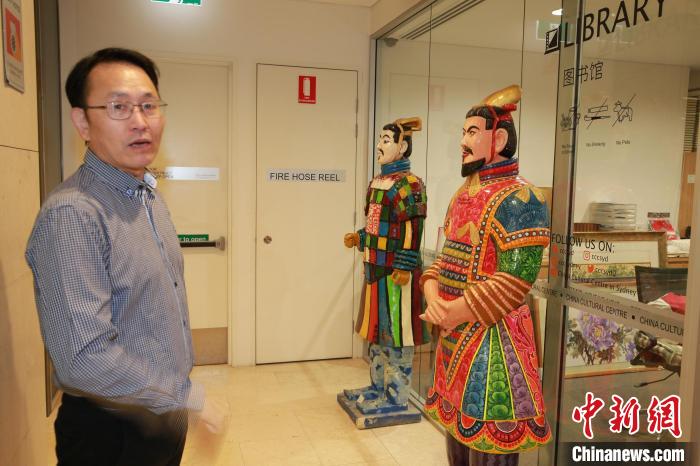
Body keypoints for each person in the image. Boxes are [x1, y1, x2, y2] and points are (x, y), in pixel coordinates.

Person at [25, 47, 223, 466]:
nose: (140, 121)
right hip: (110, 430)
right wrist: (187, 396)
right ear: (83, 121)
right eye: (118, 107)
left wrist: (176, 399)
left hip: (160, 414)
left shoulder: (147, 198)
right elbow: (83, 358)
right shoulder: (73, 214)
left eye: (149, 106)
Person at [419, 86, 551, 465]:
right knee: (457, 443)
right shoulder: (462, 194)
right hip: (453, 336)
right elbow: (444, 260)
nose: (463, 142)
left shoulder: (523, 198)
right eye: (464, 132)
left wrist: (454, 311)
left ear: (500, 140)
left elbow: (515, 281)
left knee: (489, 445)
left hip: (496, 345)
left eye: (472, 132)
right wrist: (433, 296)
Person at [342, 117, 429, 415]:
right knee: (378, 334)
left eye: (386, 140)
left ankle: (396, 397)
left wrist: (404, 265)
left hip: (397, 275)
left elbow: (413, 230)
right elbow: (377, 225)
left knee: (398, 335)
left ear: (402, 147)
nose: (379, 145)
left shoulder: (410, 184)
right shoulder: (377, 183)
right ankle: (378, 387)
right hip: (375, 271)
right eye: (380, 138)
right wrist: (360, 237)